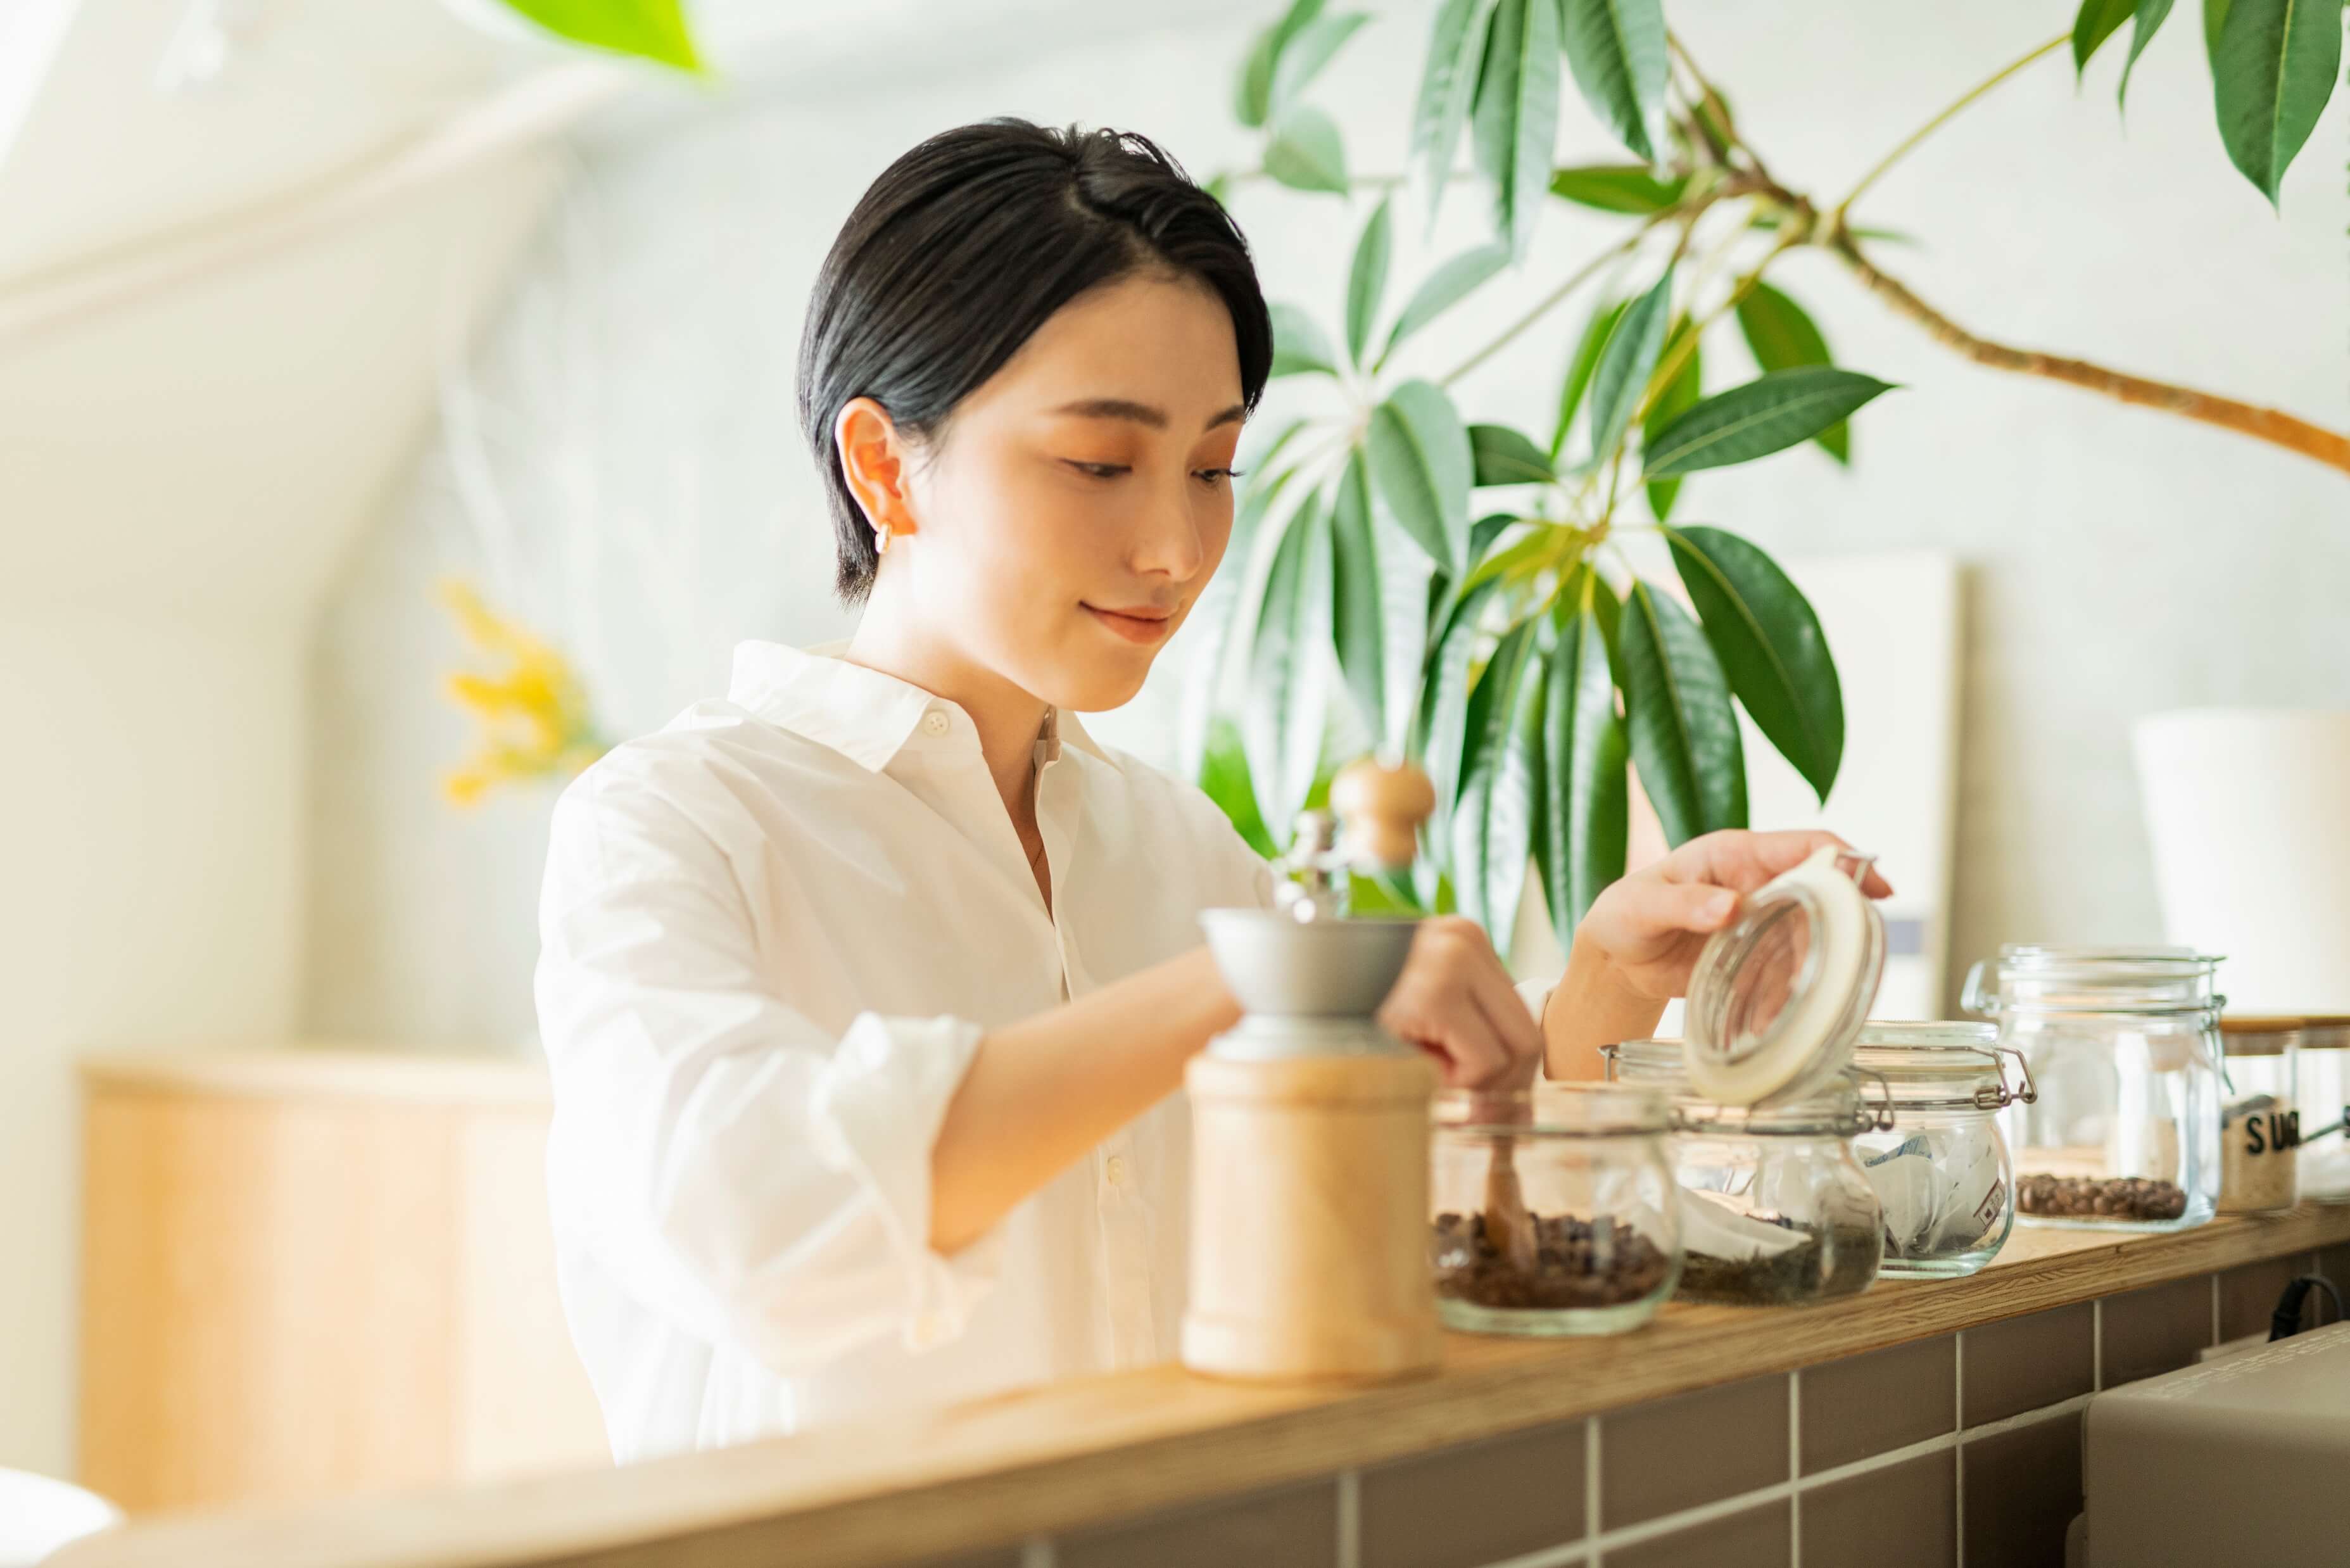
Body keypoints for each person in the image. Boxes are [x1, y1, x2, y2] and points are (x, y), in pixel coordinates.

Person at [533, 117, 1890, 1464]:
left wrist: (1609, 977)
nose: (1176, 546)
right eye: (1099, 463)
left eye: (1210, 466)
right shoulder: (672, 822)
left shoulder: (1174, 848)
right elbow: (760, 1220)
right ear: (884, 465)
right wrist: (1259, 978)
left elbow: (1441, 1202)